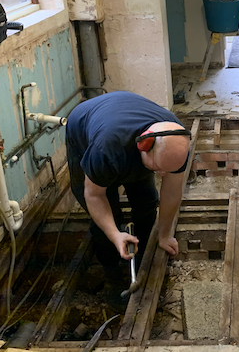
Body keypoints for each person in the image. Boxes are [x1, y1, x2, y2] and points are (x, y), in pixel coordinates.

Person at [65, 90, 191, 311]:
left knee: (147, 201)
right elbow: (94, 195)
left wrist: (163, 235)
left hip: (124, 133)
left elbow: (171, 192)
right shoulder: (106, 149)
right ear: (143, 146)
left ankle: (140, 253)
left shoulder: (175, 140)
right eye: (158, 168)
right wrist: (115, 234)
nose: (163, 175)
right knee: (107, 216)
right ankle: (112, 274)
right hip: (85, 130)